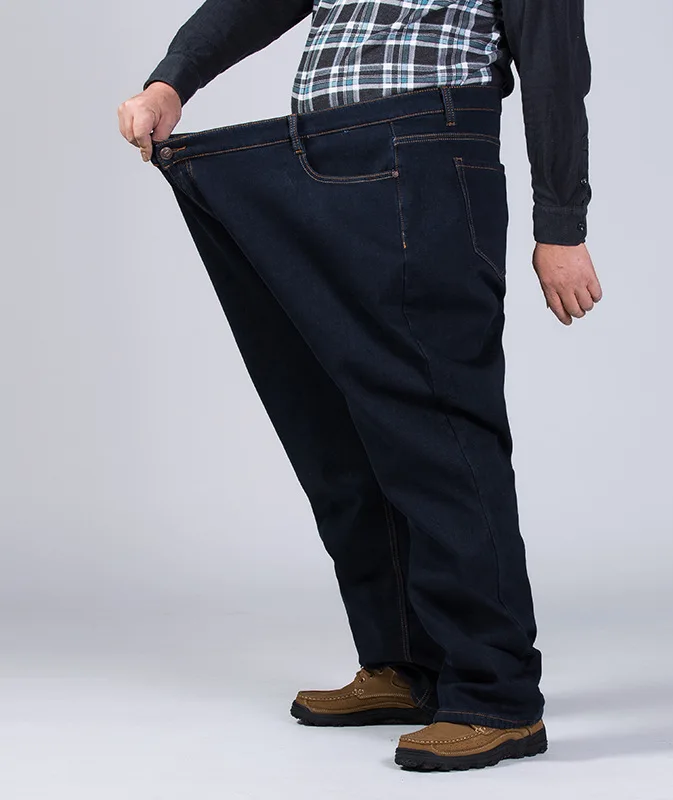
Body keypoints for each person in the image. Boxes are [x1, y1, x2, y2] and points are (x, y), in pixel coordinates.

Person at [117, 0, 602, 772]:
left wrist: (561, 224)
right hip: (317, 153)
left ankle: (495, 693)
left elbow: (554, 62)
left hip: (426, 150)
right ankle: (404, 661)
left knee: (436, 427)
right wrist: (172, 82)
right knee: (335, 425)